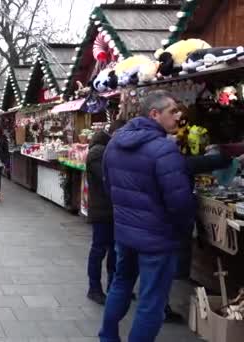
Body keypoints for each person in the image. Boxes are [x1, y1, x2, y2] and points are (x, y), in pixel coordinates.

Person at [99, 90, 195, 342]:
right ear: (154, 114)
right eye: (172, 111)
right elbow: (180, 202)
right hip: (158, 239)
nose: (177, 116)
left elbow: (108, 186)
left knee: (121, 284)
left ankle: (107, 337)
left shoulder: (114, 143)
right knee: (151, 300)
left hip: (125, 232)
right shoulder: (164, 150)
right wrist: (184, 231)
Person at [84, 120, 126, 305]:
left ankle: (113, 286)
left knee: (114, 251)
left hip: (113, 210)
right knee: (99, 250)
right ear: (114, 133)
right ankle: (94, 288)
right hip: (102, 211)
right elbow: (108, 180)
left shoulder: (109, 151)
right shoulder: (97, 153)